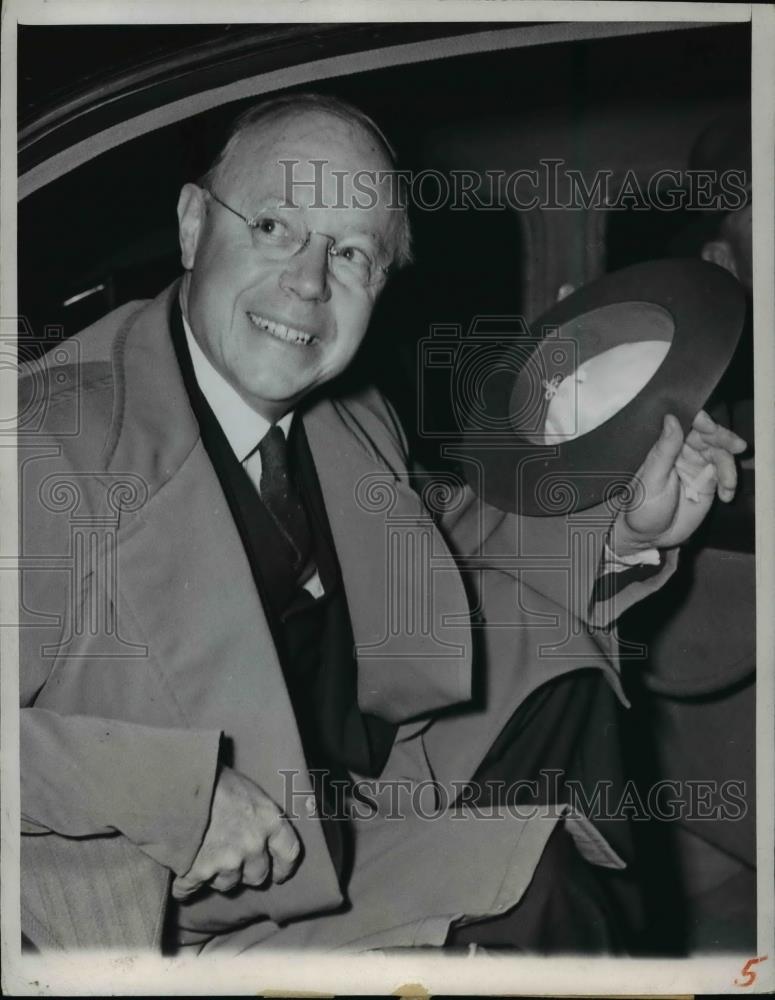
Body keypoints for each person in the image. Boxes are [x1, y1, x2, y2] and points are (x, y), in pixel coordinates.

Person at [18, 93, 746, 955]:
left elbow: (445, 549)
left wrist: (624, 528)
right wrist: (172, 795)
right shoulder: (44, 446)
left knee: (557, 686)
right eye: (275, 225)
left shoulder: (341, 413)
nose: (308, 280)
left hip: (342, 809)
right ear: (190, 226)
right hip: (169, 906)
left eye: (351, 252)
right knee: (535, 901)